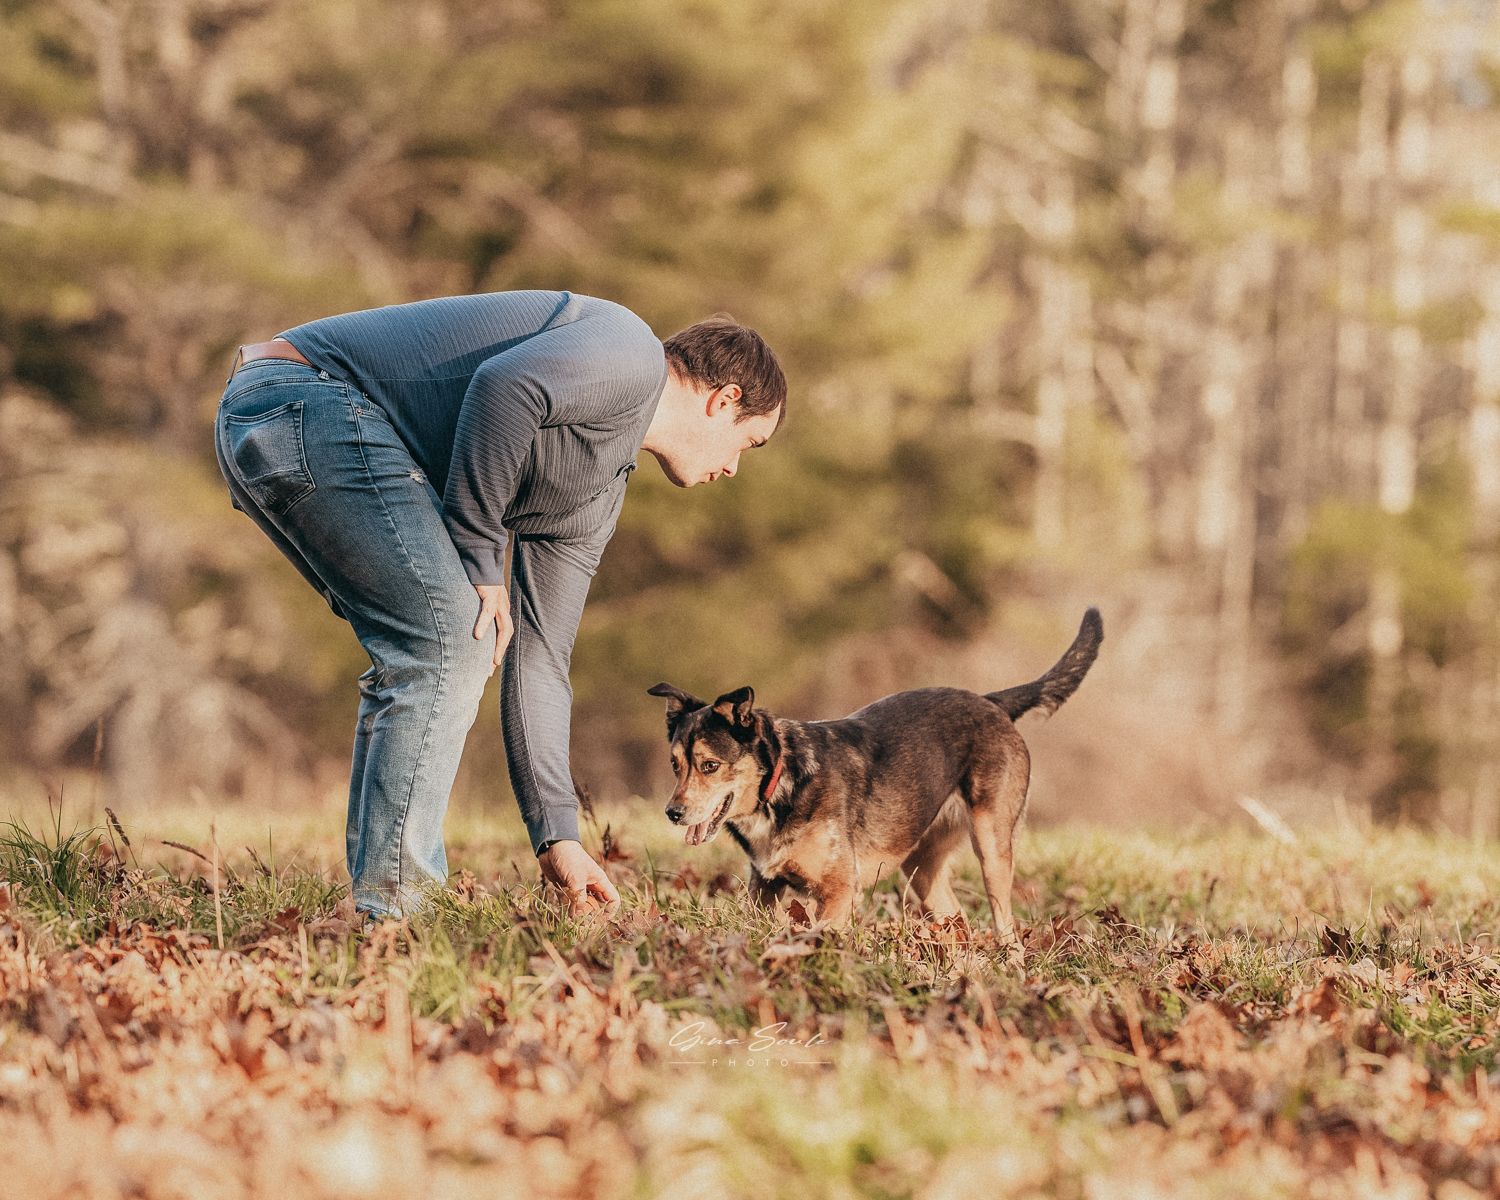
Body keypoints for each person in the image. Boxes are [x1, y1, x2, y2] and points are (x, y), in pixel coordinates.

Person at [212, 290, 786, 921]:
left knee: (428, 648)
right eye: (749, 444)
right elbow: (506, 386)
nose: (734, 468)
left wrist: (556, 834)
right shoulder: (631, 353)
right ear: (723, 399)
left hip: (277, 424)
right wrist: (481, 552)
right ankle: (400, 913)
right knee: (449, 638)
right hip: (303, 401)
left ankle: (384, 911)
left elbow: (540, 659)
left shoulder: (595, 493)